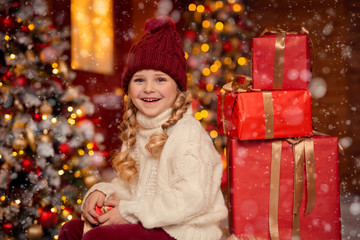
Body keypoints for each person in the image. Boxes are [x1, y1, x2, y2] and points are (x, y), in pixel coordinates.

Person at [59, 16, 228, 240]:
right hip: (152, 223)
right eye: (139, 80)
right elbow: (131, 190)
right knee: (71, 230)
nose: (149, 88)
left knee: (97, 238)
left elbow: (191, 199)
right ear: (129, 88)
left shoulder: (187, 133)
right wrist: (102, 192)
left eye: (160, 80)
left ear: (177, 88)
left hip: (184, 232)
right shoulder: (141, 129)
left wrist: (130, 212)